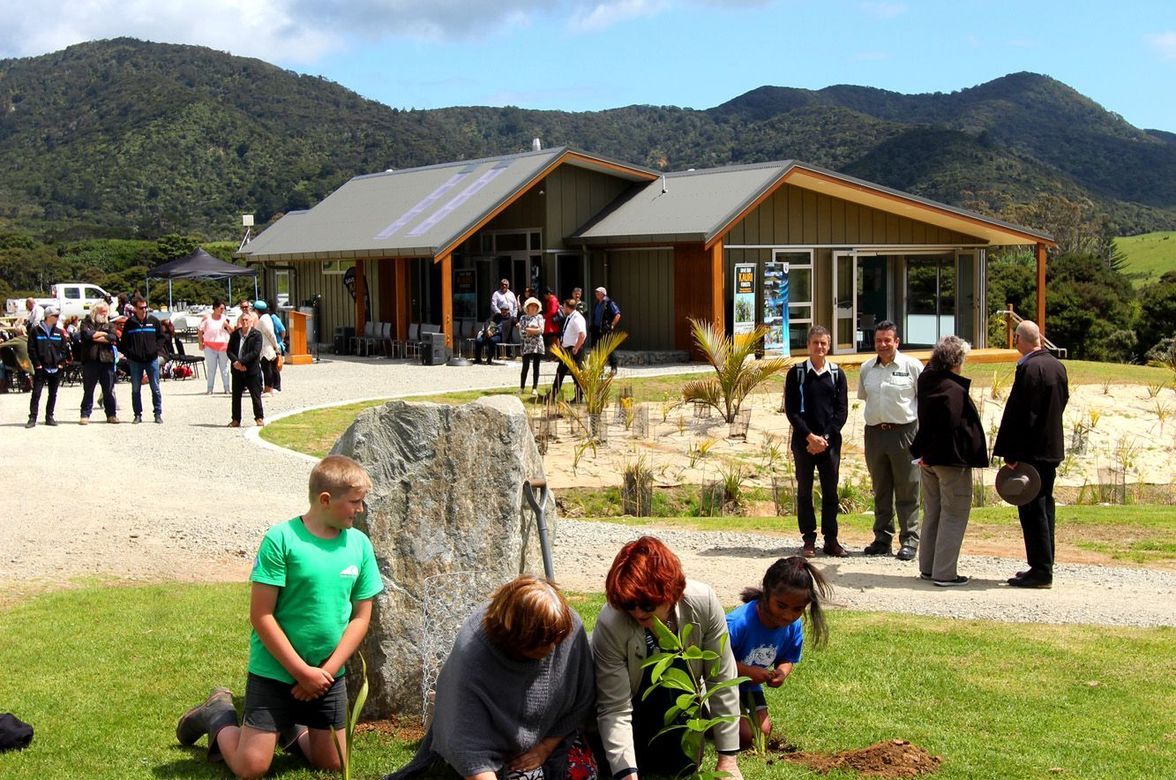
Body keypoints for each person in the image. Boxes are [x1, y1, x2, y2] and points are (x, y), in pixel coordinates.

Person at [175, 455, 383, 778]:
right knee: (251, 768)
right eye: (355, 502)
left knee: (333, 763)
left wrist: (323, 673)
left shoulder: (359, 545)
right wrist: (301, 672)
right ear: (325, 500)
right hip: (274, 673)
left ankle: (290, 727)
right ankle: (217, 714)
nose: (361, 509)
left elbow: (360, 617)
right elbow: (261, 615)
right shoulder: (281, 540)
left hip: (326, 677)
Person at [383, 576, 596, 780]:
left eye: (556, 640)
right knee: (529, 777)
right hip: (499, 744)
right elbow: (465, 743)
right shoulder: (473, 654)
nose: (553, 648)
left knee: (583, 773)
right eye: (544, 642)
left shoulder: (565, 628)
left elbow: (582, 696)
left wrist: (545, 748)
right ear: (516, 638)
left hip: (549, 734)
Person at [591, 536, 742, 780]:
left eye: (647, 605)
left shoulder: (703, 603)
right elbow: (615, 707)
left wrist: (728, 760)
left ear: (671, 592)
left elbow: (721, 680)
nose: (638, 612)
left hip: (680, 709)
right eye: (630, 604)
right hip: (634, 704)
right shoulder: (612, 622)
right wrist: (626, 773)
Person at [993, 321, 1069, 589]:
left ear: (1018, 339)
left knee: (1031, 509)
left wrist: (1010, 452)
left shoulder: (1028, 368)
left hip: (1031, 452)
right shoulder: (1057, 366)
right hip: (1051, 448)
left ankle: (1040, 570)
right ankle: (1044, 562)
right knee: (1046, 506)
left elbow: (1020, 414)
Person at [909, 336, 989, 587]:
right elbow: (950, 425)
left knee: (933, 512)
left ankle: (929, 568)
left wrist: (921, 452)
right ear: (956, 361)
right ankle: (945, 573)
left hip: (928, 459)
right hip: (948, 460)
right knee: (954, 513)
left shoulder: (928, 379)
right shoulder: (951, 389)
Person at [726, 556, 831, 749]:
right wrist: (749, 672)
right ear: (766, 592)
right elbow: (716, 663)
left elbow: (787, 658)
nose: (788, 615)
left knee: (763, 733)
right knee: (746, 736)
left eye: (797, 609)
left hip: (750, 688)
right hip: (721, 686)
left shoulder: (793, 626)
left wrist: (782, 673)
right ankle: (704, 717)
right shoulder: (737, 623)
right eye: (781, 606)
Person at [857, 320, 923, 560]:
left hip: (904, 433)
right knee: (881, 488)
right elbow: (865, 398)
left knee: (908, 488)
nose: (883, 345)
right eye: (878, 340)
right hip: (875, 433)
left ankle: (909, 540)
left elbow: (923, 403)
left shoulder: (913, 366)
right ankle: (882, 538)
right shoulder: (866, 368)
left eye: (887, 340)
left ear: (897, 342)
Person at [783, 325, 849, 558]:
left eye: (823, 343)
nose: (819, 347)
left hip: (829, 444)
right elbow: (792, 411)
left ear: (828, 346)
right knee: (805, 492)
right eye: (815, 343)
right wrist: (810, 437)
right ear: (808, 345)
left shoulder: (836, 373)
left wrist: (826, 438)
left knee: (831, 493)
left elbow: (841, 411)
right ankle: (808, 540)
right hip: (804, 443)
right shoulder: (797, 373)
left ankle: (831, 540)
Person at [121, 296, 164, 424]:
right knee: (135, 388)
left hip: (151, 359)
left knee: (155, 387)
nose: (144, 310)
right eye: (141, 308)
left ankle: (157, 413)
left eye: (146, 307)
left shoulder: (154, 321)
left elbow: (161, 337)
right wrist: (131, 353)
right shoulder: (130, 323)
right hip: (135, 361)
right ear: (135, 308)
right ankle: (137, 414)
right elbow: (124, 342)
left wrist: (155, 349)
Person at [26, 306, 69, 428]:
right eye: (55, 316)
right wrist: (37, 364)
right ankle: (32, 417)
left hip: (55, 368)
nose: (57, 318)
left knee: (53, 393)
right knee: (36, 393)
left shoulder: (59, 332)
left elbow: (63, 349)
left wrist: (61, 364)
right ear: (48, 317)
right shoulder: (36, 331)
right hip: (41, 368)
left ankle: (49, 416)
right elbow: (31, 349)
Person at [78, 301, 119, 424]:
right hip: (90, 360)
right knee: (88, 389)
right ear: (95, 312)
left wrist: (95, 337)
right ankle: (85, 414)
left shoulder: (110, 324)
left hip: (107, 360)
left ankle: (111, 415)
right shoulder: (86, 322)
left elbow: (113, 337)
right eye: (102, 312)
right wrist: (102, 335)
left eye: (106, 312)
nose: (105, 314)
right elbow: (86, 334)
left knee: (108, 389)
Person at [228, 310, 265, 428]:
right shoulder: (235, 334)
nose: (244, 322)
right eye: (242, 320)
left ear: (251, 322)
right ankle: (236, 419)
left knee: (255, 395)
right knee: (236, 396)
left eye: (247, 320)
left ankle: (259, 417)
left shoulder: (256, 335)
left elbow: (255, 352)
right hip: (237, 369)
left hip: (251, 370)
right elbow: (229, 350)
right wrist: (236, 362)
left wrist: (242, 362)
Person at [553, 298, 586, 404]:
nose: (563, 308)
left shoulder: (577, 318)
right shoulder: (570, 317)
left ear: (568, 307)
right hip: (566, 349)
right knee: (560, 372)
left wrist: (576, 347)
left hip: (574, 350)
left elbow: (582, 334)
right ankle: (552, 395)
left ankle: (578, 397)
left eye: (564, 306)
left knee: (576, 375)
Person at [198, 299, 232, 394]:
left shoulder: (225, 318)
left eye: (223, 309)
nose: (222, 310)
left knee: (224, 368)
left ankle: (227, 388)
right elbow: (200, 330)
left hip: (223, 345)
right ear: (215, 308)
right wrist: (200, 343)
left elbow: (232, 331)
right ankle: (210, 388)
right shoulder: (207, 318)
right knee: (211, 368)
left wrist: (227, 326)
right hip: (209, 345)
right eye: (221, 308)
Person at [590, 287, 621, 374]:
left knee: (609, 349)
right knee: (596, 349)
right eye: (596, 293)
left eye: (598, 293)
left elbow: (617, 314)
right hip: (596, 330)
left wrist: (611, 326)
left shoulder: (609, 303)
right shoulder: (597, 303)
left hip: (605, 330)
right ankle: (600, 369)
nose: (596, 294)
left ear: (603, 293)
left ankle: (614, 368)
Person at [518, 297, 545, 395]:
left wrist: (529, 330)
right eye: (531, 306)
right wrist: (534, 330)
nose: (533, 308)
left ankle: (535, 388)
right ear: (527, 307)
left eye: (535, 306)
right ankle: (521, 387)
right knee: (525, 366)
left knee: (536, 366)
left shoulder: (540, 317)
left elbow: (541, 330)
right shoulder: (523, 318)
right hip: (527, 344)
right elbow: (522, 332)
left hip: (538, 345)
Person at [254, 300, 281, 394]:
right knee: (269, 368)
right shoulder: (267, 317)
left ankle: (269, 387)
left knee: (267, 368)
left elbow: (270, 334)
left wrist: (276, 346)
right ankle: (270, 387)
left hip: (266, 347)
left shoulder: (263, 320)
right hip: (267, 346)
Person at [542, 288, 561, 354]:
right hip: (551, 322)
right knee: (553, 339)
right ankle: (554, 354)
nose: (545, 297)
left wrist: (544, 316)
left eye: (545, 295)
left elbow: (553, 312)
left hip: (552, 323)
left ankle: (555, 355)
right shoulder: (552, 299)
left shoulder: (553, 300)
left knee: (553, 339)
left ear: (549, 294)